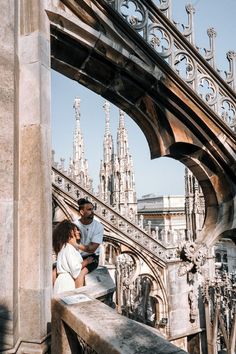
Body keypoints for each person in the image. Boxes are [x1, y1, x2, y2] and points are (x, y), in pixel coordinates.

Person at [52, 219, 94, 294]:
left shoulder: (65, 247)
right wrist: (87, 261)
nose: (79, 232)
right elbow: (75, 270)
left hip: (62, 282)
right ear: (70, 232)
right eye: (76, 230)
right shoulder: (68, 247)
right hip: (66, 284)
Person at [74, 198, 104, 273]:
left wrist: (74, 244)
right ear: (81, 212)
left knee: (81, 274)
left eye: (92, 209)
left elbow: (92, 249)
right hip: (76, 256)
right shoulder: (74, 225)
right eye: (89, 209)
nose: (92, 212)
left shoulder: (98, 226)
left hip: (92, 257)